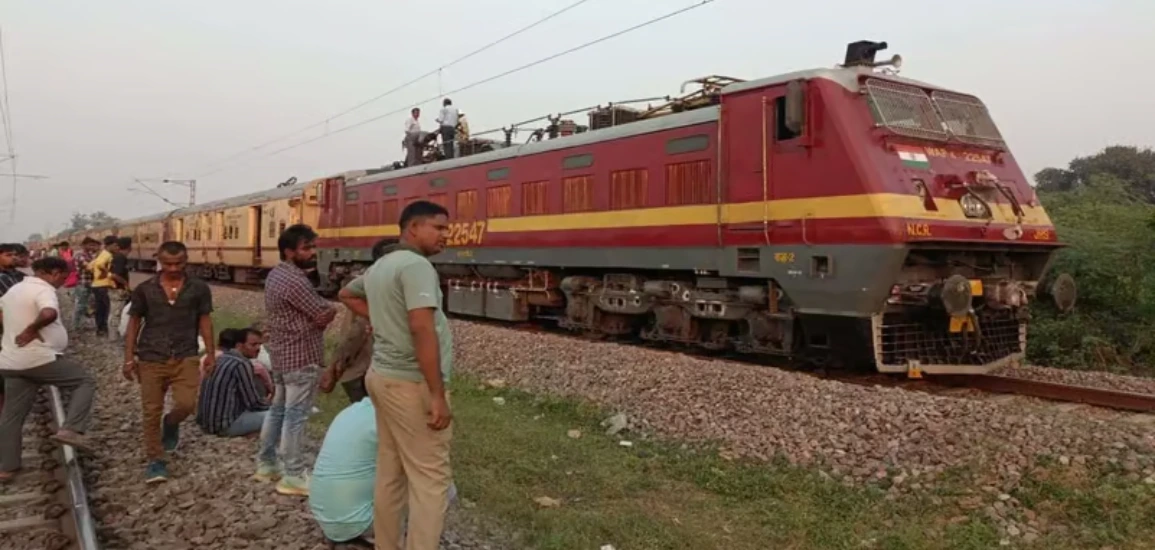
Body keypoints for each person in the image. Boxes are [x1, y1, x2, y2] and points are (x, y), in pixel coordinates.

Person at [337, 200, 453, 549]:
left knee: (390, 472)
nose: (446, 235)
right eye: (439, 227)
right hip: (410, 382)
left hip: (381, 377)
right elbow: (422, 328)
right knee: (431, 480)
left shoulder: (383, 264)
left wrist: (382, 319)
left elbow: (345, 293)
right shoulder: (416, 267)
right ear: (413, 228)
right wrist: (436, 393)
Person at [123, 241, 215, 483]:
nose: (173, 268)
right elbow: (134, 323)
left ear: (187, 261)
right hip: (151, 356)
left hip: (186, 354)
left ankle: (172, 422)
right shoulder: (144, 289)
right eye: (168, 264)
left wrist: (212, 354)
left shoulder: (199, 288)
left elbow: (205, 320)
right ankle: (156, 460)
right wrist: (128, 357)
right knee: (150, 411)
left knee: (186, 404)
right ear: (159, 261)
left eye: (179, 263)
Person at [256, 224, 337, 496]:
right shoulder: (295, 280)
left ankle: (267, 463)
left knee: (278, 410)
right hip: (301, 356)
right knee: (296, 416)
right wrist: (325, 315)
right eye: (307, 248)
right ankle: (293, 474)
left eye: (313, 247)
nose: (312, 252)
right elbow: (323, 310)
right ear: (289, 251)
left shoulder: (275, 275)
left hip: (280, 353)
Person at [309, 398, 457, 546]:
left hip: (326, 516)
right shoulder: (395, 419)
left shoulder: (351, 411)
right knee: (442, 487)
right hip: (357, 521)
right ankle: (411, 539)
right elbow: (426, 467)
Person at [0, 257, 97, 482]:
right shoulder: (44, 290)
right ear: (53, 272)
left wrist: (11, 330)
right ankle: (71, 429)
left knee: (12, 416)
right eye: (63, 277)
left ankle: (7, 468)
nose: (63, 282)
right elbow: (48, 314)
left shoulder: (15, 289)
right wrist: (31, 329)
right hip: (37, 359)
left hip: (11, 362)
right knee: (84, 381)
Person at [320, 238, 397, 404]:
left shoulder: (367, 286)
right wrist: (335, 367)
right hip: (364, 370)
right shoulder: (377, 289)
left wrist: (334, 366)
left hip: (362, 370)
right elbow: (355, 332)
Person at [196, 328, 269, 438]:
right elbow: (253, 403)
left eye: (260, 344)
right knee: (280, 416)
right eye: (253, 345)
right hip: (224, 426)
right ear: (239, 345)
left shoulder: (220, 359)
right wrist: (272, 405)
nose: (258, 348)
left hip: (205, 424)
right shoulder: (241, 364)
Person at [88, 236, 117, 338]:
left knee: (100, 309)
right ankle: (106, 329)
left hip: (96, 285)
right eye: (115, 245)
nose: (117, 247)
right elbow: (100, 264)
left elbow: (89, 266)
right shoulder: (108, 255)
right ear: (111, 245)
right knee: (107, 309)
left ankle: (100, 329)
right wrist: (105, 273)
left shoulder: (99, 254)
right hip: (105, 284)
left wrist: (96, 273)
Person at [71, 238, 100, 331]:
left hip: (90, 283)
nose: (92, 247)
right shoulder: (80, 255)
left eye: (93, 245)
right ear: (84, 245)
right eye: (90, 245)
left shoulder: (90, 255)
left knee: (89, 305)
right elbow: (88, 267)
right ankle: (75, 325)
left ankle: (85, 324)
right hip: (83, 283)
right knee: (81, 305)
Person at [109, 237, 132, 340]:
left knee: (114, 311)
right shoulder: (121, 258)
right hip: (118, 289)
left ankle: (113, 334)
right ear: (129, 247)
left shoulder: (117, 256)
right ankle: (113, 336)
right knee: (117, 312)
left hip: (114, 288)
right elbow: (115, 275)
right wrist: (126, 284)